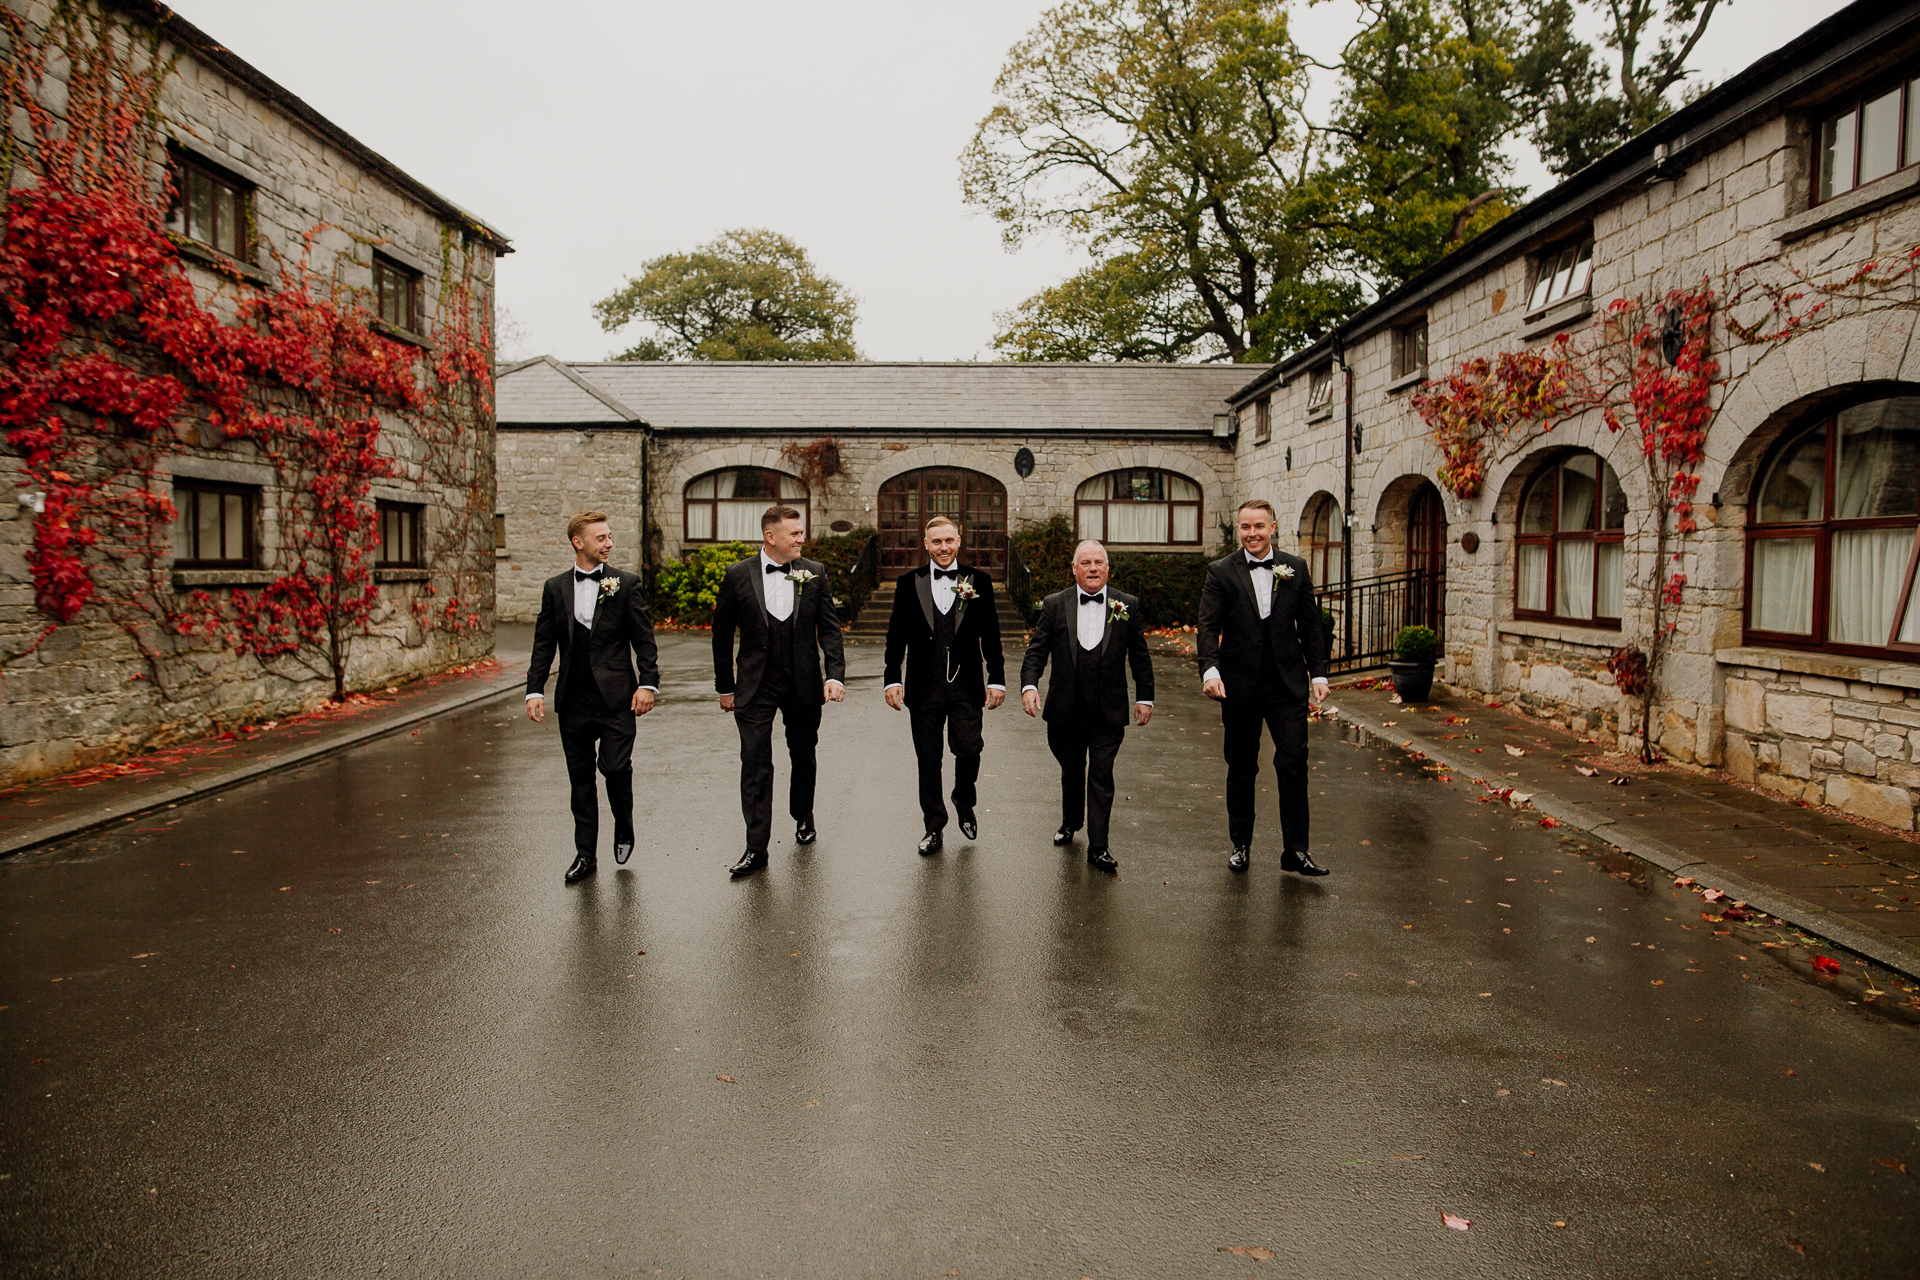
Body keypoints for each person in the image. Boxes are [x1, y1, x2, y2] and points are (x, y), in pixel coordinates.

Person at [1196, 499, 1332, 876]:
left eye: (1259, 526)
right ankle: (1241, 844)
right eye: (1245, 527)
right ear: (1238, 530)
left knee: (1293, 763)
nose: (1252, 533)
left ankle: (1296, 851)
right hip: (1238, 686)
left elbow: (1310, 626)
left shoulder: (1296, 568)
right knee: (1241, 766)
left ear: (1273, 526)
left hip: (1286, 685)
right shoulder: (1220, 572)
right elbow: (1207, 626)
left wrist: (1318, 675)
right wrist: (1210, 671)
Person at [526, 510, 660, 885]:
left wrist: (647, 684)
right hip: (573, 700)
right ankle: (585, 855)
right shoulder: (555, 587)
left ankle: (624, 822)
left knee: (615, 767)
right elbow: (543, 643)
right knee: (580, 781)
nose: (608, 543)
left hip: (617, 698)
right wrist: (534, 689)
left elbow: (644, 641)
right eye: (600, 538)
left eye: (609, 537)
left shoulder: (626, 584)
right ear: (578, 542)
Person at [712, 505, 846, 878]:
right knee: (754, 763)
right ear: (771, 537)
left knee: (803, 754)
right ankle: (757, 848)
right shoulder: (738, 574)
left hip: (803, 681)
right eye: (795, 533)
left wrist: (834, 674)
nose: (802, 538)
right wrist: (725, 687)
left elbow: (830, 629)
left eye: (802, 532)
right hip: (755, 684)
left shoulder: (814, 572)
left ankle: (803, 813)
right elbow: (721, 635)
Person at [1019, 539, 1154, 873]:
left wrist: (1145, 697)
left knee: (1101, 774)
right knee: (1071, 766)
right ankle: (1070, 821)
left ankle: (1099, 846)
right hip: (1065, 708)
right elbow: (1037, 650)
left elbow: (1139, 655)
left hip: (1108, 710)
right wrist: (1029, 686)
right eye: (1086, 563)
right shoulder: (1054, 604)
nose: (1093, 568)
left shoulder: (1127, 605)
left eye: (1099, 562)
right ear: (1074, 568)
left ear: (1108, 567)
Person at [882, 515, 1006, 856]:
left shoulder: (978, 580)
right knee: (928, 758)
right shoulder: (909, 583)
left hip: (966, 685)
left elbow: (991, 636)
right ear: (926, 544)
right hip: (923, 687)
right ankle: (934, 827)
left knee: (969, 748)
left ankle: (964, 798)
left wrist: (997, 678)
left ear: (958, 541)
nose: (944, 547)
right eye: (936, 542)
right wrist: (892, 677)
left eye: (949, 540)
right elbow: (896, 637)